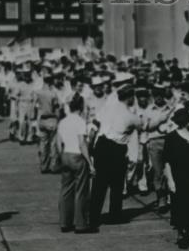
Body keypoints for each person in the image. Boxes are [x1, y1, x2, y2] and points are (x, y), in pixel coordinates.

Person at [90, 83, 139, 227]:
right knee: (117, 184)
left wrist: (91, 146)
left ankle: (94, 216)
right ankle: (115, 215)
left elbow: (95, 125)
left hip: (102, 145)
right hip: (116, 148)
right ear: (129, 98)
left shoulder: (107, 107)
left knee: (99, 184)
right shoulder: (129, 114)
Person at [162, 107, 189, 249]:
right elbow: (167, 161)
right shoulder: (171, 138)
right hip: (179, 176)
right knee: (180, 206)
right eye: (188, 119)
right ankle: (182, 234)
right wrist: (170, 180)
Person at [56, 94, 96, 234]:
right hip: (77, 156)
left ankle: (64, 222)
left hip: (65, 155)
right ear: (81, 107)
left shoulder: (63, 121)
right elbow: (82, 143)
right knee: (81, 191)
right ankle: (81, 224)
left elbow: (58, 143)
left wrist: (62, 156)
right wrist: (90, 163)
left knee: (66, 190)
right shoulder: (80, 121)